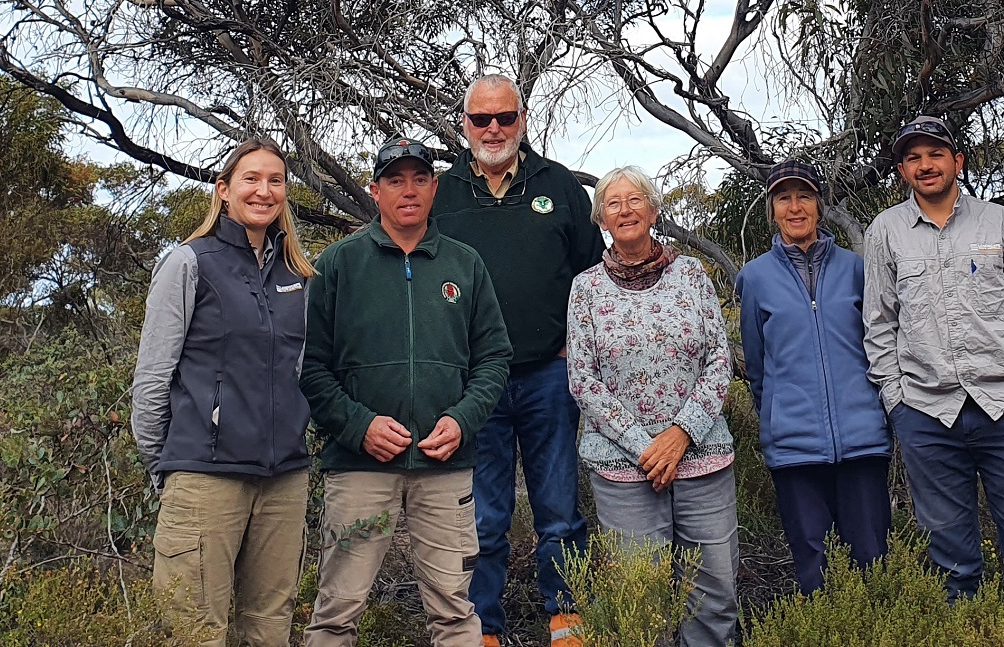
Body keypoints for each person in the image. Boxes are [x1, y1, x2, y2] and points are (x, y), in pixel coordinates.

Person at [300, 138, 512, 647]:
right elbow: (309, 367)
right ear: (375, 191)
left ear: (435, 188)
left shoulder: (465, 265)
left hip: (445, 469)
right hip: (359, 470)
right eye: (395, 180)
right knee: (336, 612)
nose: (409, 190)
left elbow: (494, 358)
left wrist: (462, 420)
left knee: (456, 613)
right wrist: (359, 426)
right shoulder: (337, 265)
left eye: (420, 178)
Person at [432, 74, 604, 647]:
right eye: (481, 119)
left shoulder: (559, 185)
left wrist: (572, 344)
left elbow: (591, 274)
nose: (494, 129)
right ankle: (483, 625)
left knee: (559, 508)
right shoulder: (443, 193)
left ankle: (567, 616)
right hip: (474, 383)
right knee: (484, 515)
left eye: (505, 117)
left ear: (523, 119)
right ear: (465, 124)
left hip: (549, 375)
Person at [863, 115, 1004, 601]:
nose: (925, 165)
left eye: (935, 155)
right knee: (950, 559)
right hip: (927, 416)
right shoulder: (885, 232)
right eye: (913, 158)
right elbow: (879, 324)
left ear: (958, 162)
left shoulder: (1001, 223)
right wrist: (898, 403)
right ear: (903, 171)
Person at [132, 138, 317, 647]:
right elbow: (152, 376)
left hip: (284, 480)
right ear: (223, 190)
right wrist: (168, 465)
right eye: (251, 179)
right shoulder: (189, 264)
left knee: (269, 628)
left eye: (275, 180)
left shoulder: (299, 277)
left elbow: (305, 372)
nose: (264, 191)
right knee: (193, 632)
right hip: (204, 478)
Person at [567, 167, 738, 646]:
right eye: (614, 203)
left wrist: (679, 436)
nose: (625, 210)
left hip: (702, 459)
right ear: (602, 218)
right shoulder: (585, 289)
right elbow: (583, 379)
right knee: (643, 596)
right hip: (625, 470)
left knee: (714, 588)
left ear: (654, 210)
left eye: (635, 200)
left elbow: (718, 360)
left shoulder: (691, 276)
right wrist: (648, 447)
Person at [735, 160, 892, 596]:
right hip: (794, 449)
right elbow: (758, 367)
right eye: (783, 198)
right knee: (814, 569)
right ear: (772, 209)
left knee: (872, 562)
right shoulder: (754, 278)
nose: (795, 207)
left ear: (819, 205)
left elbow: (879, 346)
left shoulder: (856, 270)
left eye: (804, 196)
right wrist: (777, 418)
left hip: (862, 440)